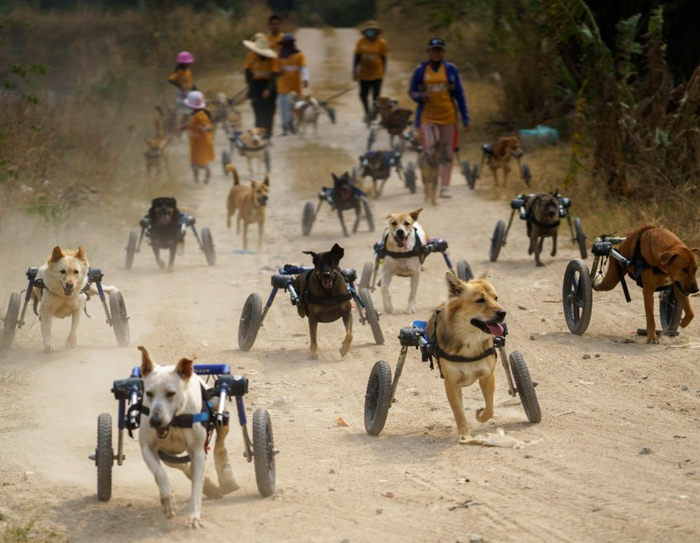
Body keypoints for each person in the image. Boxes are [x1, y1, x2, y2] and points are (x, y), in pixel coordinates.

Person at [408, 38, 470, 199]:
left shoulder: (451, 70)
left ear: (443, 52)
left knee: (447, 152)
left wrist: (465, 118)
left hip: (448, 116)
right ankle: (430, 182)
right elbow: (412, 92)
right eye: (434, 50)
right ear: (429, 52)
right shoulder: (420, 71)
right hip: (427, 116)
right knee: (430, 150)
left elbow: (460, 95)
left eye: (439, 50)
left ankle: (444, 186)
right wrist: (421, 96)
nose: (436, 53)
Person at [243, 32, 280, 139]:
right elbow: (247, 73)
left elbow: (274, 75)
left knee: (269, 112)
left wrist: (268, 89)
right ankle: (257, 135)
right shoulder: (250, 56)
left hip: (269, 86)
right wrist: (250, 87)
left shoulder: (274, 59)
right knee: (258, 112)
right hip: (256, 86)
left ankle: (268, 134)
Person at [353, 20, 388, 123]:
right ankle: (367, 112)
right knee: (362, 95)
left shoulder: (382, 43)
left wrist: (384, 71)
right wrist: (354, 71)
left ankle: (373, 114)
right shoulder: (361, 42)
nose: (370, 33)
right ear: (365, 32)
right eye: (368, 31)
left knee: (375, 97)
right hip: (363, 74)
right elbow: (356, 57)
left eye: (372, 31)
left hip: (377, 73)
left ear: (376, 32)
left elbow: (384, 58)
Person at [277, 33, 309, 135]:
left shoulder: (299, 55)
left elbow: (303, 67)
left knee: (296, 108)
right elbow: (275, 69)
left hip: (295, 88)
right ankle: (285, 127)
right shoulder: (279, 56)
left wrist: (305, 78)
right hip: (282, 87)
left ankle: (294, 125)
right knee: (283, 109)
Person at [183, 90, 214, 184]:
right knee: (194, 161)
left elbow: (208, 125)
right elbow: (193, 125)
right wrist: (185, 127)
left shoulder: (200, 115)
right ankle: (196, 179)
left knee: (202, 160)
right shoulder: (194, 114)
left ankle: (208, 175)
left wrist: (206, 128)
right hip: (196, 141)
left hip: (201, 142)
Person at [168, 51, 196, 124]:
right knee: (187, 112)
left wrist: (196, 90)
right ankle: (180, 129)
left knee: (189, 112)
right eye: (188, 62)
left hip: (189, 92)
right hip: (182, 93)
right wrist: (181, 87)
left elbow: (191, 82)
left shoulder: (188, 71)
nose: (190, 63)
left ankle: (185, 127)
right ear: (183, 63)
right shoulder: (179, 72)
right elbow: (170, 80)